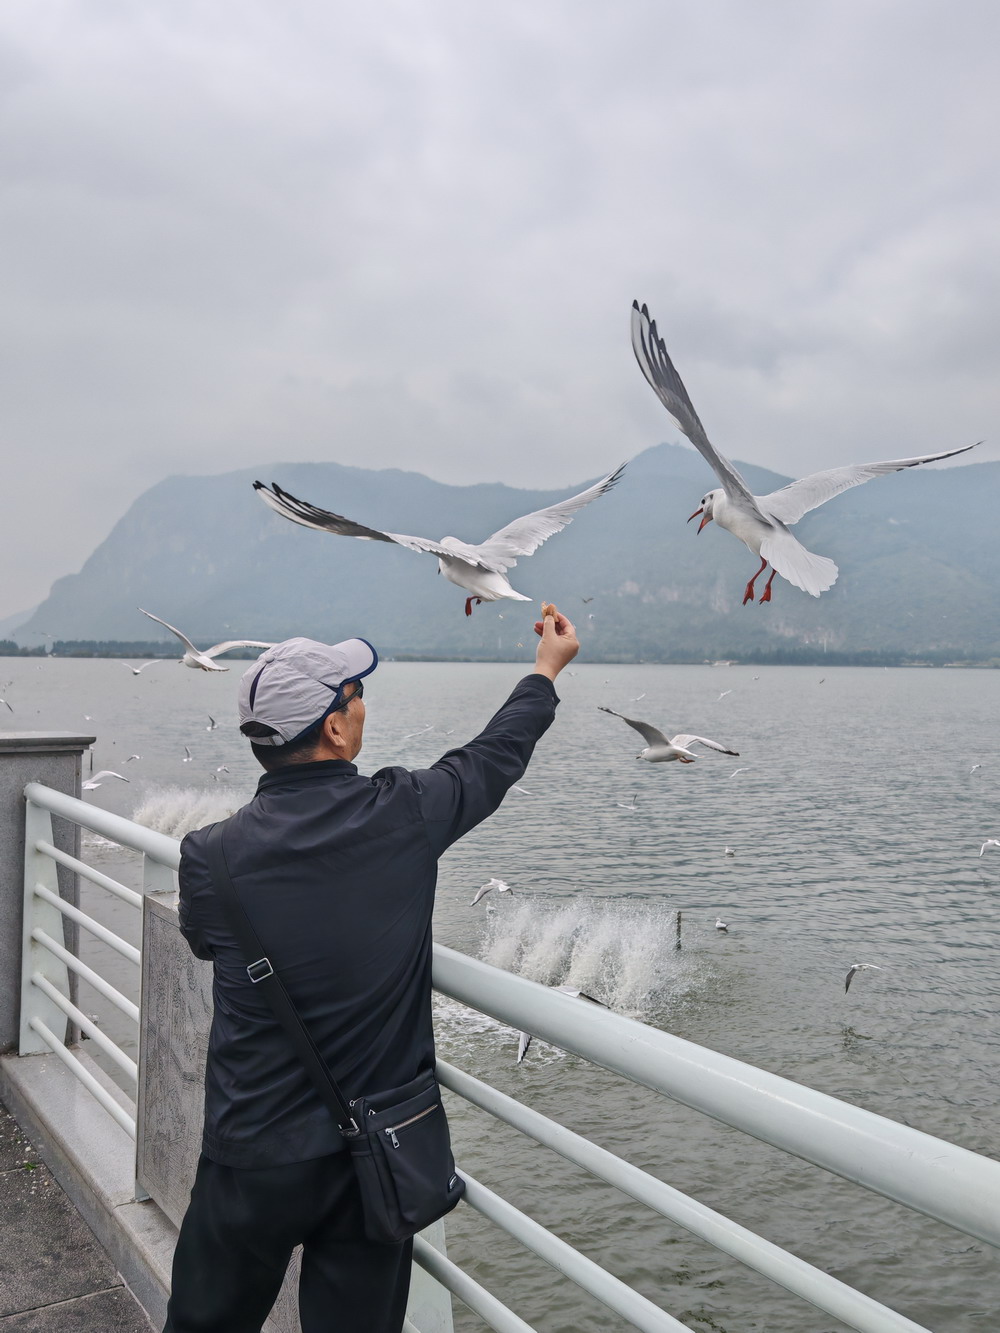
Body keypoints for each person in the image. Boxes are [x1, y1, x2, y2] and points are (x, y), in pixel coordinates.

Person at [162, 609, 579, 1333]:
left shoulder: (209, 856)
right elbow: (492, 756)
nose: (362, 704)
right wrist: (545, 670)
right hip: (372, 1156)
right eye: (354, 692)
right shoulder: (405, 813)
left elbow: (204, 942)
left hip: (249, 1153)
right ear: (333, 727)